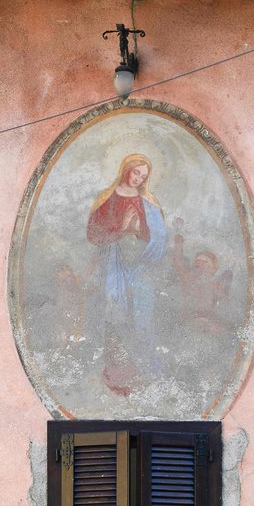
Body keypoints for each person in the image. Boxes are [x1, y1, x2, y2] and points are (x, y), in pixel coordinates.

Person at [87, 154, 167, 394]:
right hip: (111, 268)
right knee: (114, 316)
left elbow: (158, 238)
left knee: (140, 316)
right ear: (126, 170)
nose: (138, 179)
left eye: (143, 176)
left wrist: (137, 232)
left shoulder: (149, 202)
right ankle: (117, 375)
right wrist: (121, 229)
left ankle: (144, 373)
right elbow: (93, 234)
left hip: (139, 268)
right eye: (136, 173)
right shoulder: (106, 198)